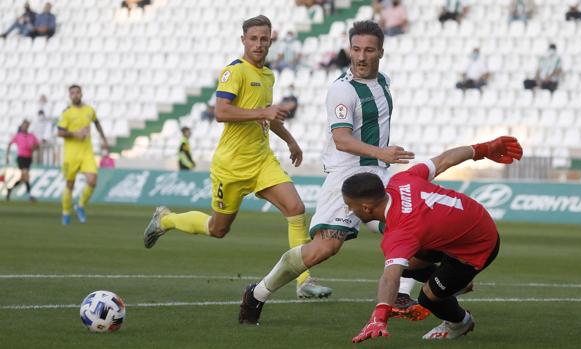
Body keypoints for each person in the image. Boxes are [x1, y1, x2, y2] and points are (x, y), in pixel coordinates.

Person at [239, 21, 423, 326]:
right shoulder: (342, 89)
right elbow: (342, 139)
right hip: (347, 176)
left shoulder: (384, 81)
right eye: (356, 49)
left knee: (414, 222)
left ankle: (402, 292)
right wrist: (383, 153)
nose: (361, 56)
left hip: (380, 174)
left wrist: (382, 159)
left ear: (381, 52)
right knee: (324, 248)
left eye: (369, 50)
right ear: (349, 50)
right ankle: (257, 294)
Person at [142, 15, 330, 299]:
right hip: (230, 166)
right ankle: (165, 219)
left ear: (271, 40)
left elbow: (268, 113)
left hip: (262, 161)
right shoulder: (234, 71)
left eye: (264, 39)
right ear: (243, 40)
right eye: (253, 39)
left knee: (296, 209)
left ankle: (303, 281)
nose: (258, 44)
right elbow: (221, 112)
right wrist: (263, 113)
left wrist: (291, 141)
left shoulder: (268, 75)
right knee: (217, 229)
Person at [348, 136, 523, 343]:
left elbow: (389, 278)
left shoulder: (400, 233)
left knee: (428, 298)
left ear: (366, 207)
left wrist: (379, 315)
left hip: (477, 246)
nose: (349, 209)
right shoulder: (401, 180)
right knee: (408, 264)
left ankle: (460, 323)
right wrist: (482, 149)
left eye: (351, 205)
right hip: (470, 219)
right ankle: (457, 284)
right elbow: (444, 160)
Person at [57, 85, 109, 225]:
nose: (75, 95)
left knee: (92, 181)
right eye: (72, 93)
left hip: (87, 153)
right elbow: (60, 132)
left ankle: (80, 205)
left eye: (77, 92)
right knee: (70, 185)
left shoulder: (89, 110)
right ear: (69, 95)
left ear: (81, 94)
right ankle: (66, 213)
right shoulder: (66, 113)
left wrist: (104, 139)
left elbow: (97, 123)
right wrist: (75, 134)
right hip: (71, 155)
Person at [5, 120, 39, 202]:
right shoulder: (18, 135)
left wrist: (34, 147)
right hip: (21, 158)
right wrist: (7, 156)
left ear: (28, 126)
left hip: (28, 158)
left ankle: (10, 189)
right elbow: (9, 144)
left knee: (23, 178)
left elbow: (38, 146)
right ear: (21, 126)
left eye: (26, 125)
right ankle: (30, 196)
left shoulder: (32, 136)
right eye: (24, 125)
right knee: (26, 175)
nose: (25, 127)